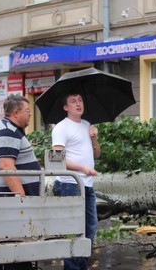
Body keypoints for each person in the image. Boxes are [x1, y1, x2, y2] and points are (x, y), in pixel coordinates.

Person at [52, 92, 100, 270]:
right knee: (74, 230)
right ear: (65, 107)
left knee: (90, 229)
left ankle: (80, 266)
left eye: (80, 100)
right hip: (69, 184)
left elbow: (96, 155)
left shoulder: (86, 125)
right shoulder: (61, 128)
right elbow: (57, 159)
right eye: (73, 101)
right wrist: (82, 168)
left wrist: (94, 138)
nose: (78, 104)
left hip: (86, 185)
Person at [0, 94, 41, 196]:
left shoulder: (11, 129)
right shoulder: (7, 131)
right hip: (10, 198)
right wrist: (21, 197)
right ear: (16, 113)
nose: (30, 114)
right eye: (27, 111)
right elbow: (6, 166)